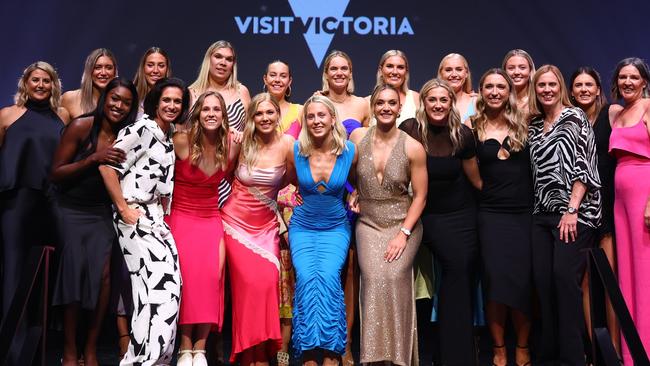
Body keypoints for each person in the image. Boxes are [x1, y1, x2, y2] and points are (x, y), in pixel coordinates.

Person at [99, 77, 190, 365]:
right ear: (155, 102)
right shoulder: (141, 129)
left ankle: (150, 360)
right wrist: (124, 209)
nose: (172, 106)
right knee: (156, 296)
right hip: (135, 217)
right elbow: (106, 166)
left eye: (177, 101)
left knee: (167, 292)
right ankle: (142, 361)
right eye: (167, 100)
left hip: (156, 218)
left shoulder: (168, 134)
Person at [50, 77, 138, 366]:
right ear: (105, 98)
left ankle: (91, 347)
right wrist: (92, 159)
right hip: (71, 208)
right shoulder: (82, 126)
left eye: (126, 102)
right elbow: (57, 173)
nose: (119, 106)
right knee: (74, 272)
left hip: (103, 210)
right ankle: (70, 349)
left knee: (102, 279)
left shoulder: (130, 133)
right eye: (115, 99)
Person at [400, 78, 482, 366]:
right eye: (432, 99)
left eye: (443, 100)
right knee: (452, 271)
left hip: (462, 216)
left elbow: (476, 180)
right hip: (427, 216)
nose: (437, 105)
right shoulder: (409, 131)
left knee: (459, 273)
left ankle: (453, 355)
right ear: (423, 102)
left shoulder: (463, 135)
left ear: (451, 103)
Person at [349, 84, 427, 365]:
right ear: (372, 106)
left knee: (394, 279)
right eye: (380, 102)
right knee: (373, 281)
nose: (385, 107)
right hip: (369, 224)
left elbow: (420, 196)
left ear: (398, 108)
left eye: (391, 103)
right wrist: (352, 191)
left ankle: (399, 358)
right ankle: (373, 358)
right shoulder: (357, 138)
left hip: (403, 224)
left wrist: (403, 234)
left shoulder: (413, 146)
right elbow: (342, 171)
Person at [528, 65, 601, 365]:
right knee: (543, 281)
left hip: (575, 213)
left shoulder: (575, 118)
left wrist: (572, 209)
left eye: (551, 84)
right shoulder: (533, 126)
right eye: (541, 85)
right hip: (542, 214)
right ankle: (549, 353)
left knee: (564, 279)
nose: (546, 89)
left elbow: (584, 165)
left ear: (561, 87)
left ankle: (574, 356)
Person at [0, 61, 68, 365]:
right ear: (25, 83)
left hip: (52, 202)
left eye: (46, 81)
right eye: (35, 80)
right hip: (16, 202)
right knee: (14, 271)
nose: (40, 85)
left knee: (45, 274)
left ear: (54, 85)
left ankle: (38, 346)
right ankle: (12, 347)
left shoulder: (62, 116)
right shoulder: (6, 115)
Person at [166, 91, 240, 366]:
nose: (211, 114)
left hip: (211, 218)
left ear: (223, 116)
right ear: (197, 113)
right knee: (187, 280)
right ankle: (184, 348)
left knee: (211, 278)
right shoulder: (181, 141)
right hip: (181, 217)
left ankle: (201, 348)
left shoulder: (231, 146)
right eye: (206, 109)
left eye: (216, 110)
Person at [220, 93, 294, 365]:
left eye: (269, 113)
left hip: (266, 228)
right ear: (252, 118)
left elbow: (293, 178)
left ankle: (262, 353)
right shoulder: (241, 143)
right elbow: (224, 173)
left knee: (265, 287)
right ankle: (248, 355)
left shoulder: (288, 144)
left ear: (277, 115)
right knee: (246, 289)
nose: (264, 118)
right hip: (235, 225)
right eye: (258, 114)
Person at [470, 69, 532, 366]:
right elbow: (472, 175)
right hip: (491, 215)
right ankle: (498, 349)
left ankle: (522, 347)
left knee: (521, 282)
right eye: (489, 87)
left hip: (524, 215)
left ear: (509, 92)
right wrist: (494, 194)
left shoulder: (525, 124)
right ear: (480, 91)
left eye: (501, 87)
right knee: (495, 281)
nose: (495, 92)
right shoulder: (472, 127)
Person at [289, 95, 357, 365]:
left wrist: (356, 194)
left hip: (335, 228)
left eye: (321, 115)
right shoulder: (294, 149)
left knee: (328, 278)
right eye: (311, 116)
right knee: (306, 278)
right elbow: (280, 178)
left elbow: (358, 181)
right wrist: (284, 197)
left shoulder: (350, 150)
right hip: (303, 227)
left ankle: (332, 352)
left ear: (332, 119)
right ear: (305, 121)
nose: (316, 121)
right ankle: (307, 353)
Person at [318, 49, 367, 364]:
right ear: (326, 72)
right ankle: (320, 340)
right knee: (323, 273)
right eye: (333, 68)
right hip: (323, 193)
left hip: (352, 193)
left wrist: (361, 189)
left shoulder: (362, 104)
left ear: (350, 71)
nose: (339, 72)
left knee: (349, 272)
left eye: (344, 68)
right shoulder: (316, 101)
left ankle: (345, 344)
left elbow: (373, 145)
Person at [569, 66, 620, 357]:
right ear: (572, 90)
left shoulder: (611, 114)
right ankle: (595, 352)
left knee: (608, 278)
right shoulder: (569, 119)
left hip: (608, 203)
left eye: (589, 84)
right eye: (578, 85)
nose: (584, 89)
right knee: (586, 280)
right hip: (581, 209)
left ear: (598, 88)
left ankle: (612, 348)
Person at [608, 57, 650, 365]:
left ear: (644, 81)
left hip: (643, 193)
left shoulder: (649, 108)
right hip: (620, 199)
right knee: (626, 273)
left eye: (634, 77)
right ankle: (630, 352)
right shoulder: (617, 113)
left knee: (645, 272)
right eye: (623, 77)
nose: (628, 82)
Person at [263, 59, 302, 366]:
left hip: (291, 201)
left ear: (290, 81)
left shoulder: (301, 111)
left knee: (288, 277)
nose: (277, 80)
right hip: (259, 200)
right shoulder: (255, 108)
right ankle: (261, 341)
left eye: (283, 76)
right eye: (272, 75)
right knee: (265, 277)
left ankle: (285, 346)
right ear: (265, 79)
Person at [62, 48, 117, 119]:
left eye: (108, 68)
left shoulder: (120, 103)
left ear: (115, 72)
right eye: (97, 67)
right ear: (89, 71)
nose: (103, 73)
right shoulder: (69, 98)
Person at [371, 49, 420, 126]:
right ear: (381, 70)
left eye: (400, 67)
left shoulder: (416, 99)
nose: (394, 72)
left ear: (406, 72)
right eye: (389, 66)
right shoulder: (367, 102)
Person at [133, 47, 172, 116]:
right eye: (150, 65)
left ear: (167, 69)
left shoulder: (174, 99)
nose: (155, 71)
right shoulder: (131, 96)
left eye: (161, 66)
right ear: (143, 68)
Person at [438, 53, 477, 122]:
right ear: (441, 74)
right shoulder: (431, 103)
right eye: (448, 70)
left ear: (466, 73)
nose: (454, 74)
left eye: (459, 69)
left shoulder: (477, 102)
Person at [502, 49, 536, 118]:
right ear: (504, 72)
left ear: (530, 71)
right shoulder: (498, 97)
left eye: (522, 68)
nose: (516, 72)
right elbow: (473, 118)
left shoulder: (538, 100)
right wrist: (473, 102)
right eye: (511, 68)